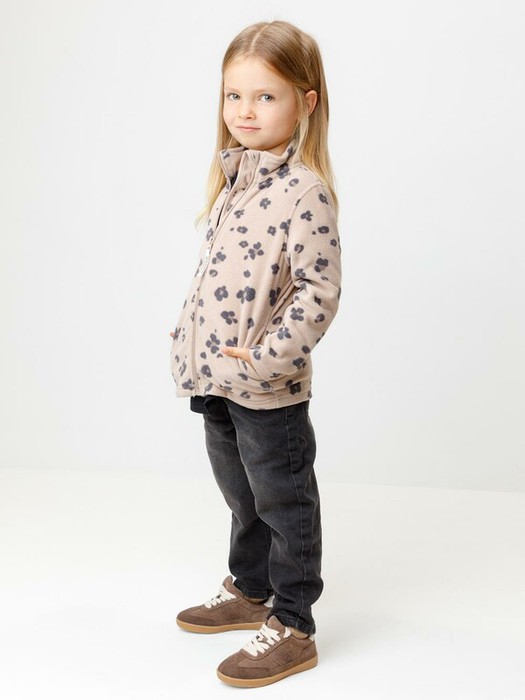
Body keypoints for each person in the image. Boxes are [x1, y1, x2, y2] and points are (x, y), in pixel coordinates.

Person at [169, 19, 342, 688]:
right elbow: (214, 281)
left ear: (306, 101)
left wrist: (267, 359)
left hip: (267, 387)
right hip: (216, 379)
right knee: (241, 495)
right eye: (233, 95)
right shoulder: (234, 181)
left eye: (265, 96)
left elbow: (317, 292)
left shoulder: (304, 191)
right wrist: (188, 346)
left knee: (282, 501)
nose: (244, 111)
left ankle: (293, 624)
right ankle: (250, 588)